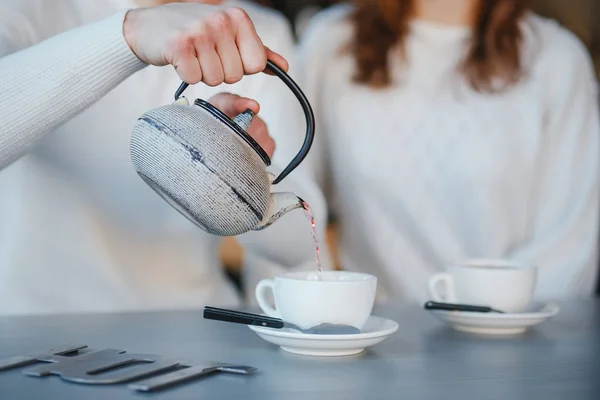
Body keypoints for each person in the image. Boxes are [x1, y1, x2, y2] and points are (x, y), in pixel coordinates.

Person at [0, 0, 328, 315]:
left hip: (193, 333)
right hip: (39, 333)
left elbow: (300, 243)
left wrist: (241, 175)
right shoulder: (33, 7)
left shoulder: (255, 31)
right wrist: (128, 36)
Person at [288, 0, 600, 304]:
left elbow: (570, 250)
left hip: (511, 341)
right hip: (374, 337)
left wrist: (480, 324)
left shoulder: (556, 59)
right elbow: (291, 211)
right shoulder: (331, 44)